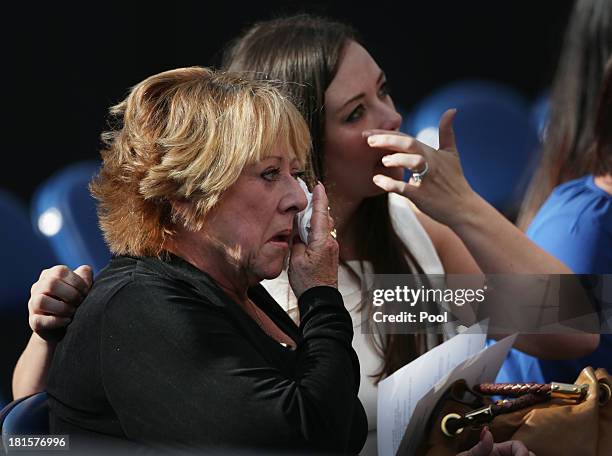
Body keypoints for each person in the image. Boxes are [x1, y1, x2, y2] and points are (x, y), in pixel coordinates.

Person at [14, 14, 595, 455]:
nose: (392, 120)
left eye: (385, 92)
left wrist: (464, 208)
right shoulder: (257, 269)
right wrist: (48, 338)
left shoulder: (404, 248)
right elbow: (39, 420)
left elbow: (569, 327)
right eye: (355, 113)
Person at [40, 66, 368, 452]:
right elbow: (304, 441)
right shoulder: (137, 306)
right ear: (185, 191)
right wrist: (320, 295)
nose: (298, 198)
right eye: (268, 173)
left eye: (294, 173)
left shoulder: (234, 287)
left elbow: (342, 418)